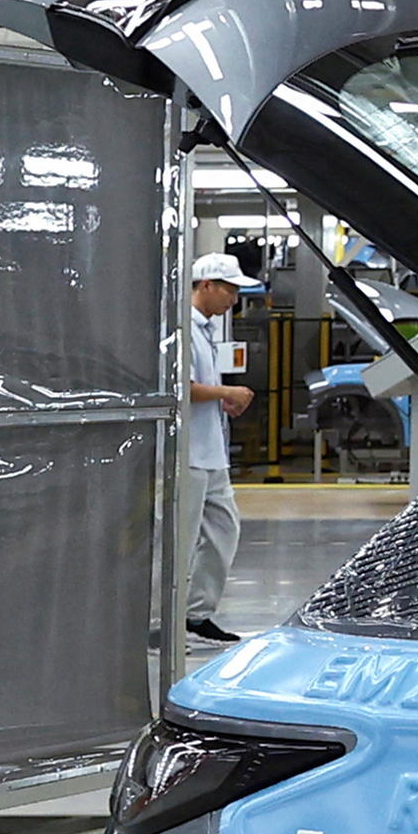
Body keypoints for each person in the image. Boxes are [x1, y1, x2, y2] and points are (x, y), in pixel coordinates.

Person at [177, 255, 253, 643]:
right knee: (179, 542)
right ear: (205, 284)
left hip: (211, 453)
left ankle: (196, 614)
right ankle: (162, 626)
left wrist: (223, 400)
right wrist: (227, 391)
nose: (234, 298)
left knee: (225, 530)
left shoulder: (205, 330)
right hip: (186, 455)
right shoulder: (180, 328)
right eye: (229, 288)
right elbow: (179, 388)